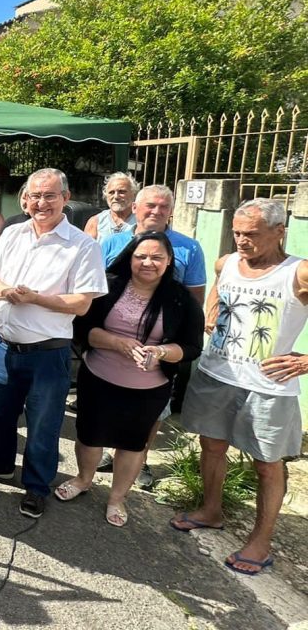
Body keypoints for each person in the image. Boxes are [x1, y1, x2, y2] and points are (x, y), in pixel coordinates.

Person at [171, 199, 308, 576]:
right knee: (212, 445)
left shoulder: (298, 272)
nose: (242, 241)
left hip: (268, 387)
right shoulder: (226, 262)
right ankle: (210, 510)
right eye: (237, 233)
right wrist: (212, 308)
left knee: (267, 465)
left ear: (279, 232)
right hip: (217, 374)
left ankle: (260, 543)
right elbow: (219, 289)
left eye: (252, 234)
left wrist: (305, 361)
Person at [0, 168, 107, 519]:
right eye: (35, 196)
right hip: (5, 346)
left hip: (48, 351)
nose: (41, 203)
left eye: (49, 196)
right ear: (25, 200)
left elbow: (82, 303)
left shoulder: (82, 245)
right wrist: (6, 291)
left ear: (65, 198)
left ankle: (36, 486)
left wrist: (35, 298)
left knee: (43, 424)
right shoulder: (13, 233)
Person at [58, 232, 203, 527]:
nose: (148, 262)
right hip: (98, 377)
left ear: (169, 261)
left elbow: (191, 347)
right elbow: (82, 329)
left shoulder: (180, 299)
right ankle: (83, 479)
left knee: (133, 443)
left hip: (149, 388)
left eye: (157, 257)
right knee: (89, 435)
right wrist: (117, 343)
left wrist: (161, 352)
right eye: (141, 256)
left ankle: (117, 497)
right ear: (130, 258)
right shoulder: (108, 286)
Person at [99, 183, 207, 479]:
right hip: (112, 340)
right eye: (150, 205)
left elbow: (195, 299)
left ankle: (140, 459)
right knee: (108, 401)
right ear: (135, 208)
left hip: (160, 346)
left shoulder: (189, 248)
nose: (156, 211)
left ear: (171, 211)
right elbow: (96, 289)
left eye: (163, 207)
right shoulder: (111, 243)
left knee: (153, 409)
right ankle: (111, 451)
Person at [85, 172, 139, 242]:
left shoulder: (141, 220)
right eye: (111, 192)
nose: (116, 197)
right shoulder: (96, 222)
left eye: (122, 192)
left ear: (134, 194)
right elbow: (87, 248)